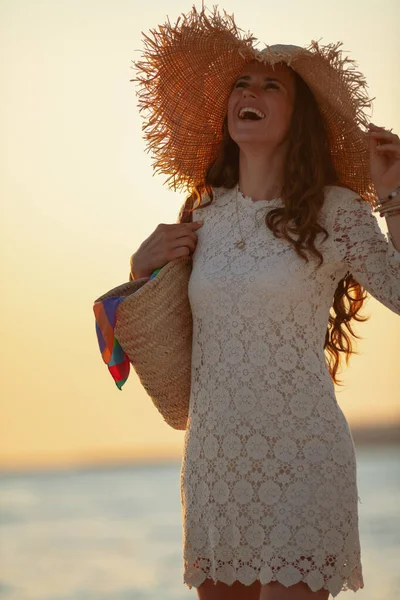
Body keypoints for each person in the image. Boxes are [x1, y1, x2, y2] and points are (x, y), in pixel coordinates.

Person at [129, 7, 400, 600]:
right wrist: (140, 268)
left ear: (297, 115)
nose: (249, 93)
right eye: (241, 85)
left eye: (269, 85)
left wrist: (395, 197)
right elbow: (154, 338)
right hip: (215, 462)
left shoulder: (335, 211)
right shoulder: (202, 214)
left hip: (303, 458)